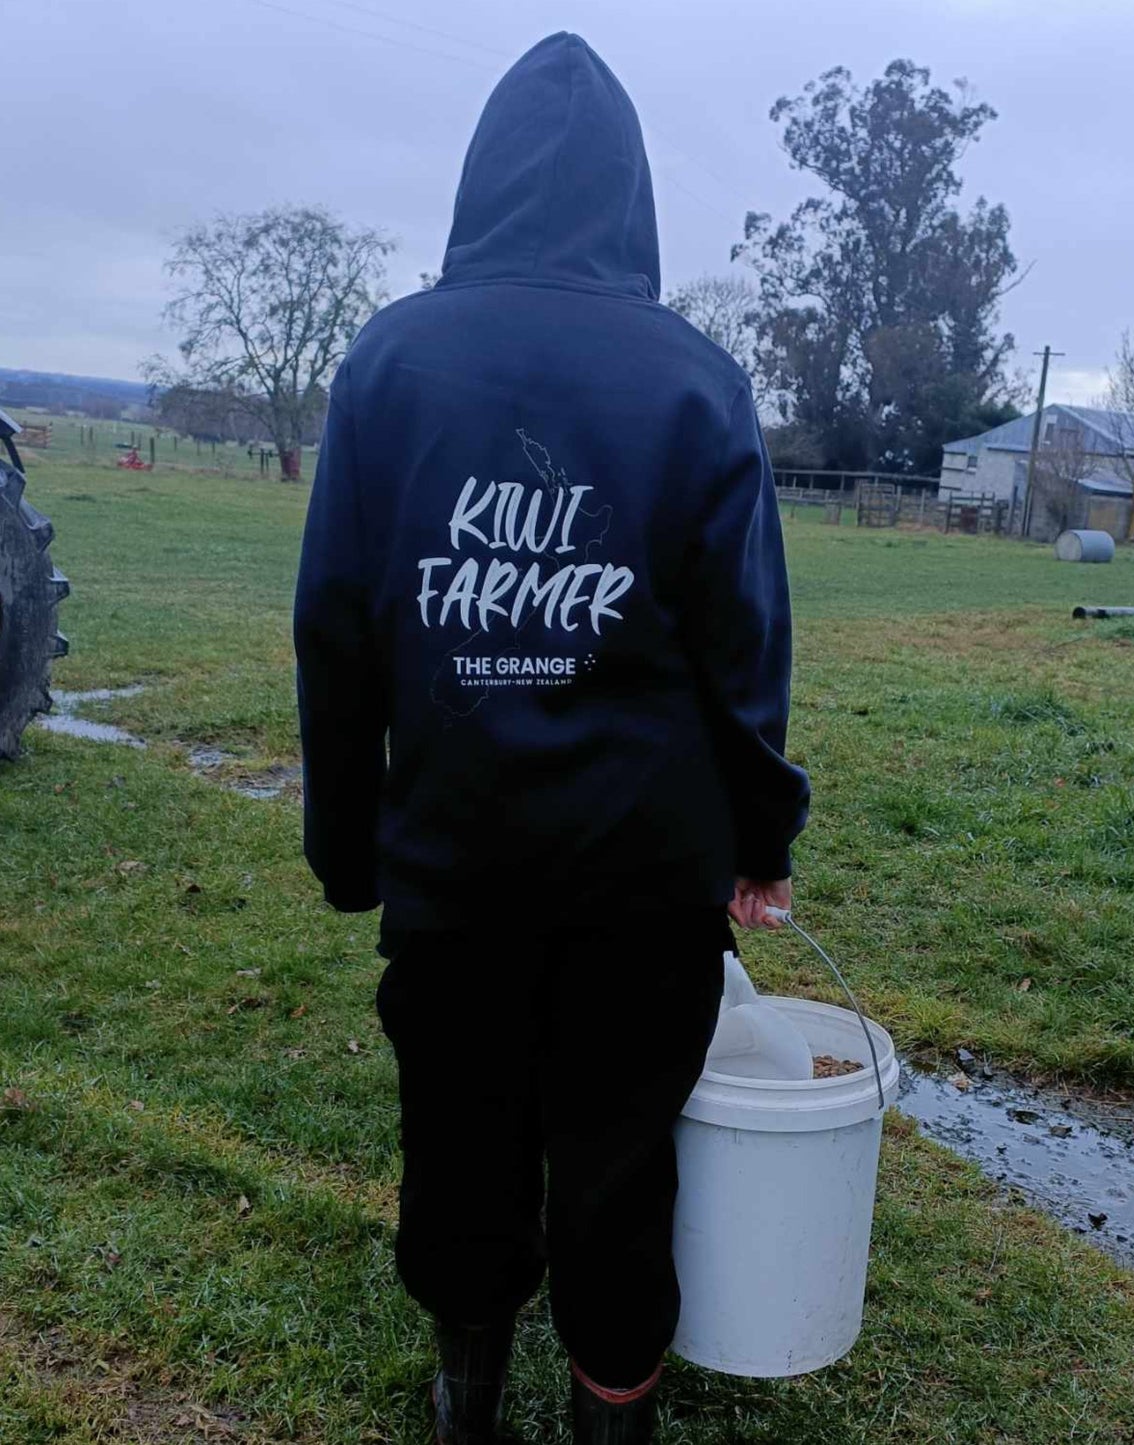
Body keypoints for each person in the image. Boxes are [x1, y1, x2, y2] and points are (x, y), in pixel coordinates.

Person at [293, 32, 809, 1445]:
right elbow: (742, 650)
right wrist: (757, 837)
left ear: (482, 183)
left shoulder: (390, 364)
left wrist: (349, 848)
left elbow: (336, 629)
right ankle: (607, 1418)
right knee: (615, 1157)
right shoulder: (693, 380)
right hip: (641, 872)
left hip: (454, 862)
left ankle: (469, 1405)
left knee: (459, 1135)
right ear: (627, 194)